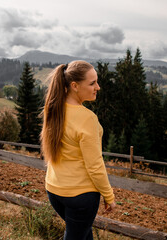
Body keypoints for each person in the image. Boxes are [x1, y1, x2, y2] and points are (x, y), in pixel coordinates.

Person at [40, 60, 116, 240]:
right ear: (74, 85)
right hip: (80, 197)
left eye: (96, 81)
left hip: (54, 191)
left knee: (82, 233)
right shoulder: (87, 119)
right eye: (92, 83)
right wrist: (109, 196)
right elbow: (95, 165)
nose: (98, 87)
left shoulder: (53, 108)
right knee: (76, 235)